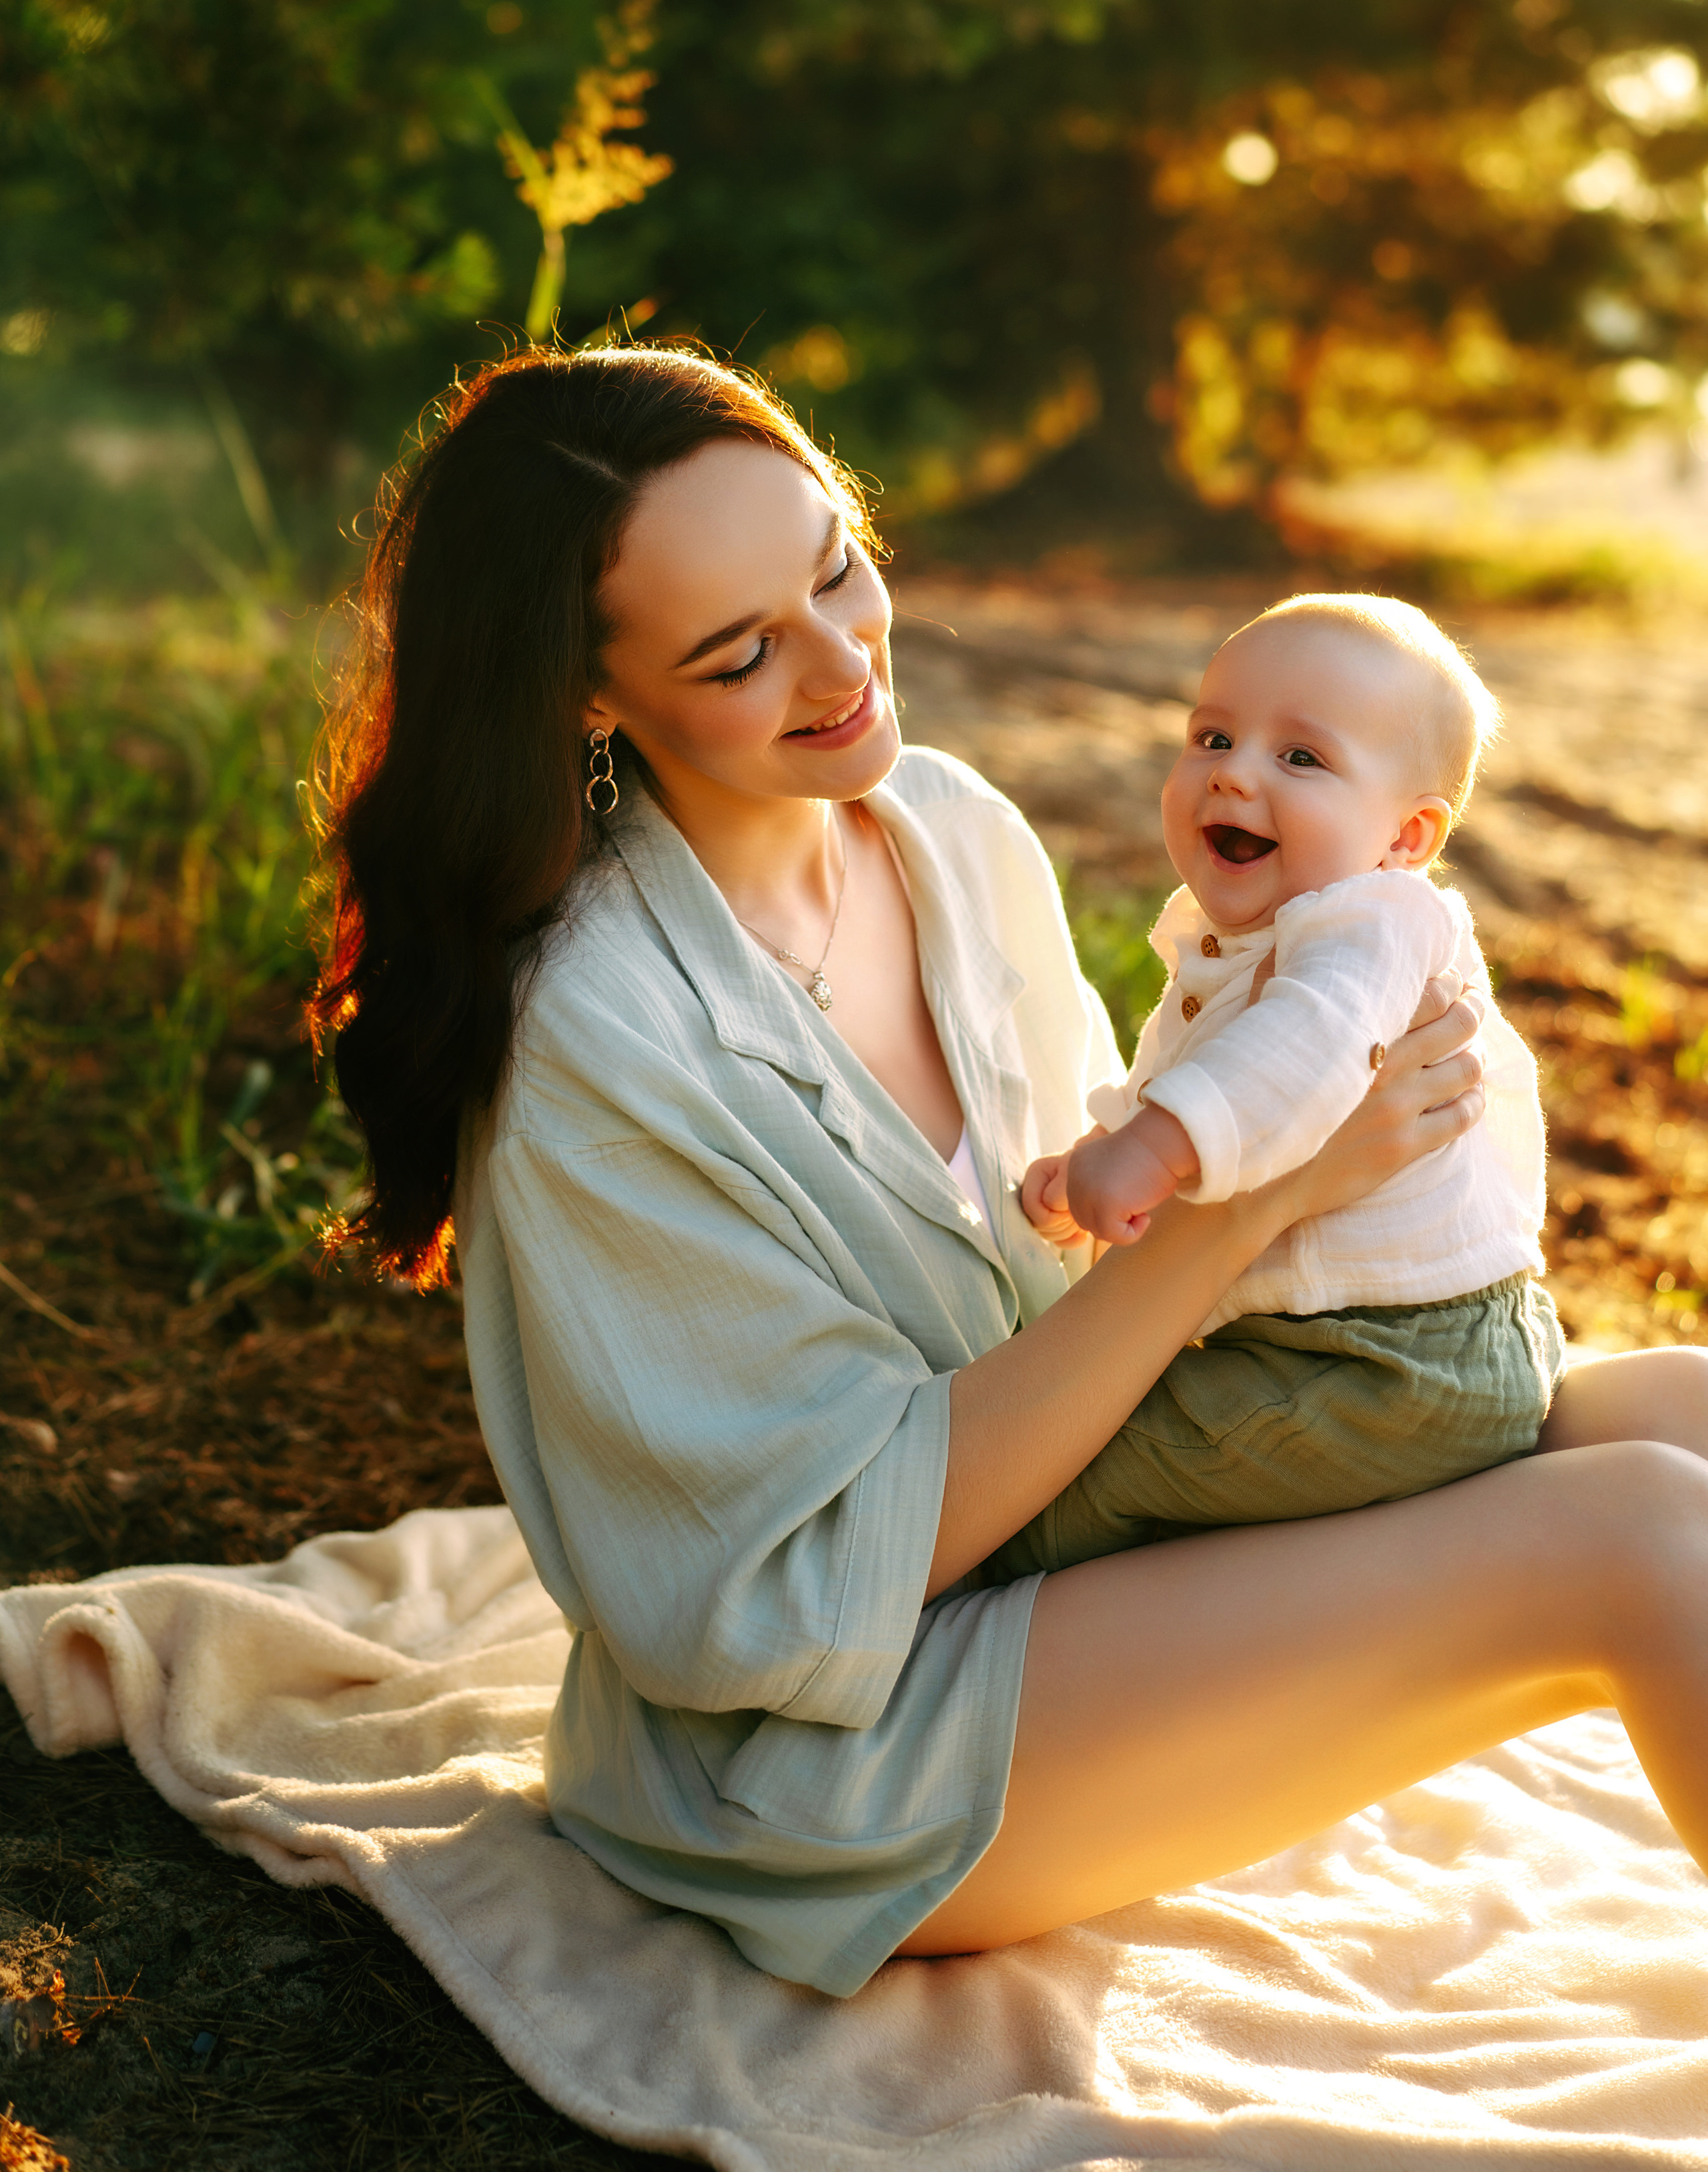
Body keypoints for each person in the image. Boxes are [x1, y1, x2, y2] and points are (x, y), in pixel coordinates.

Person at [312, 341, 1708, 2001]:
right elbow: (822, 1579)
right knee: (1634, 1535)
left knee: (1679, 1411)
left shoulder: (948, 826)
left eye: (836, 566)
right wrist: (1257, 1208)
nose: (841, 663)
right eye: (743, 652)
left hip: (1077, 1528)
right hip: (841, 1734)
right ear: (588, 695)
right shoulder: (597, 1037)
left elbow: (1078, 1259)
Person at [999, 594, 1561, 1574]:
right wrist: (1104, 1153)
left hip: (1392, 1359)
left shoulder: (1375, 922)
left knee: (1099, 1470)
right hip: (1357, 1352)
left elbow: (1306, 1051)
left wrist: (1151, 1153)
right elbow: (1221, 1068)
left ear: (1407, 838)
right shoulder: (1268, 933)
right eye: (1213, 737)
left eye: (1300, 758)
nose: (1235, 773)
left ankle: (990, 1569)